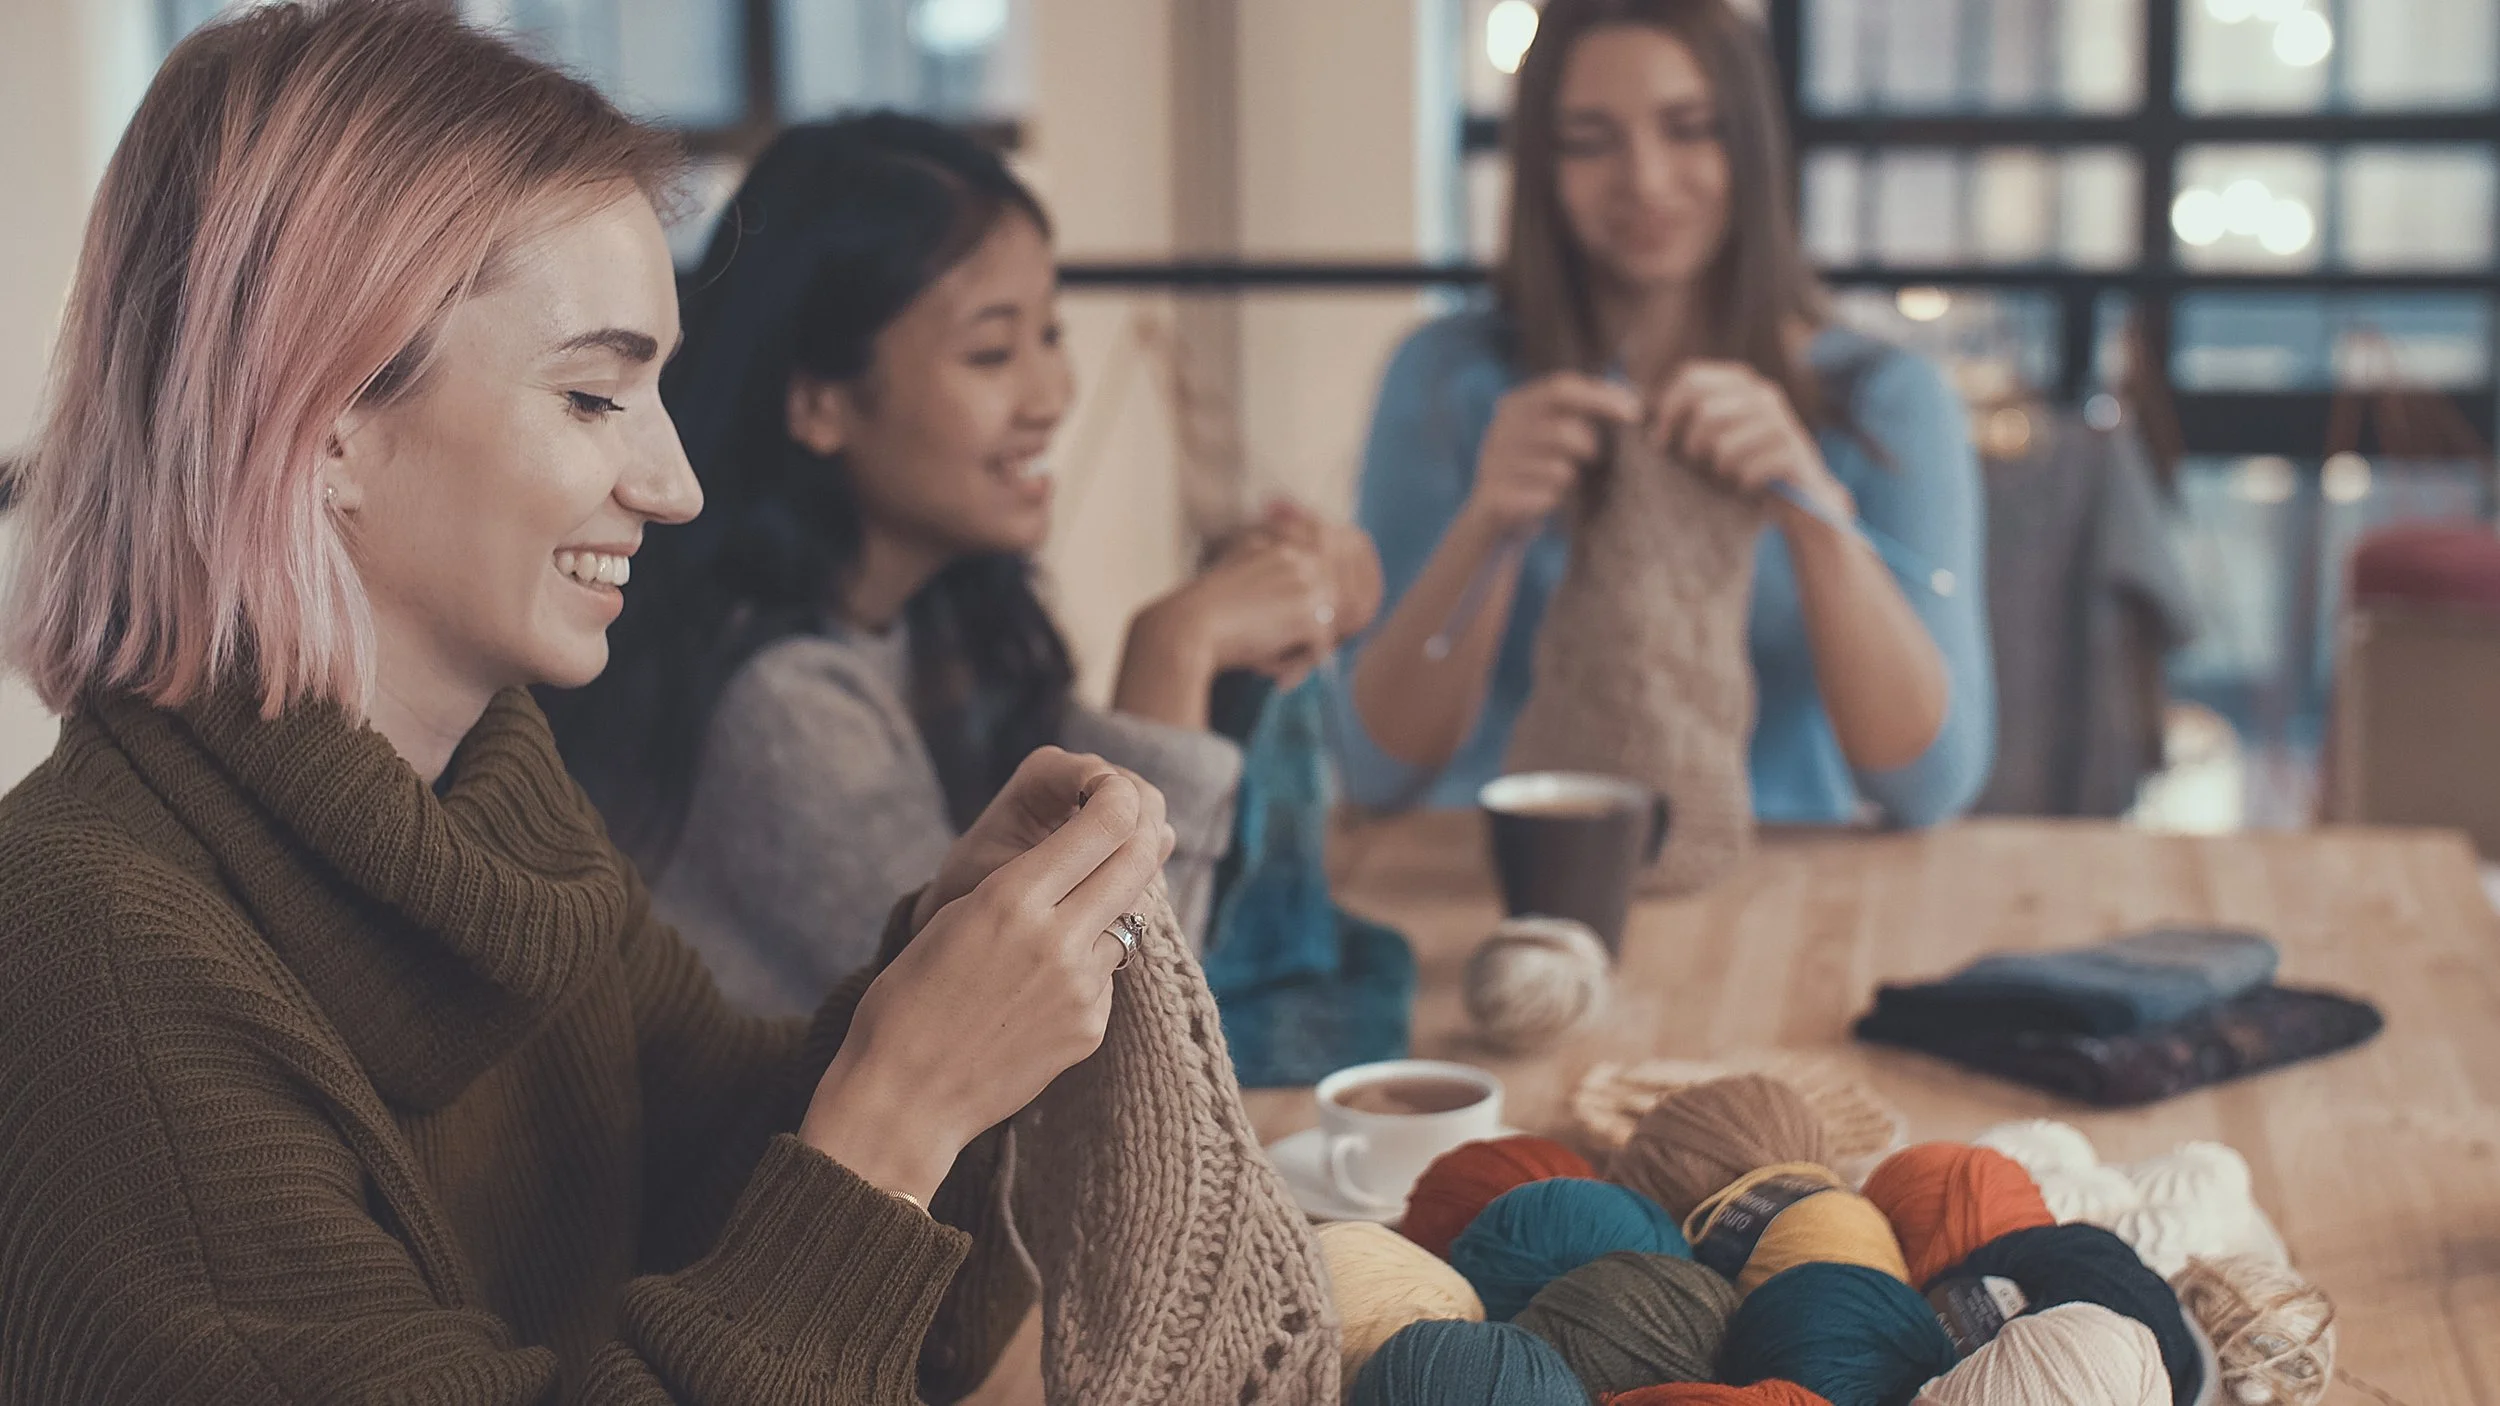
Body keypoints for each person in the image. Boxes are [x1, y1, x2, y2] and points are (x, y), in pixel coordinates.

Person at [0, 6, 1175, 1399]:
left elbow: (718, 1185)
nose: (675, 485)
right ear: (327, 426)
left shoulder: (491, 802)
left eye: (657, 390)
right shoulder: (93, 962)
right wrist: (901, 1104)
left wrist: (940, 972)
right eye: (594, 396)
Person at [546, 114, 1381, 1016]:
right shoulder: (777, 708)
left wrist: (1256, 635)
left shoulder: (942, 614)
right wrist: (1173, 652)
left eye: (1050, 334)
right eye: (991, 351)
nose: (1053, 396)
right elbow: (1096, 1038)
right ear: (820, 402)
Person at [1333, 0, 1993, 826]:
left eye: (1689, 128)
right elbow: (1372, 770)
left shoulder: (1883, 399)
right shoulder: (1446, 377)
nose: (1644, 179)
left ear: (1750, 146)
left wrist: (1817, 515)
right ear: (1542, 165)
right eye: (1589, 140)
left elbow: (1931, 786)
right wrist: (1488, 526)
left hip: (1780, 872)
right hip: (1496, 873)